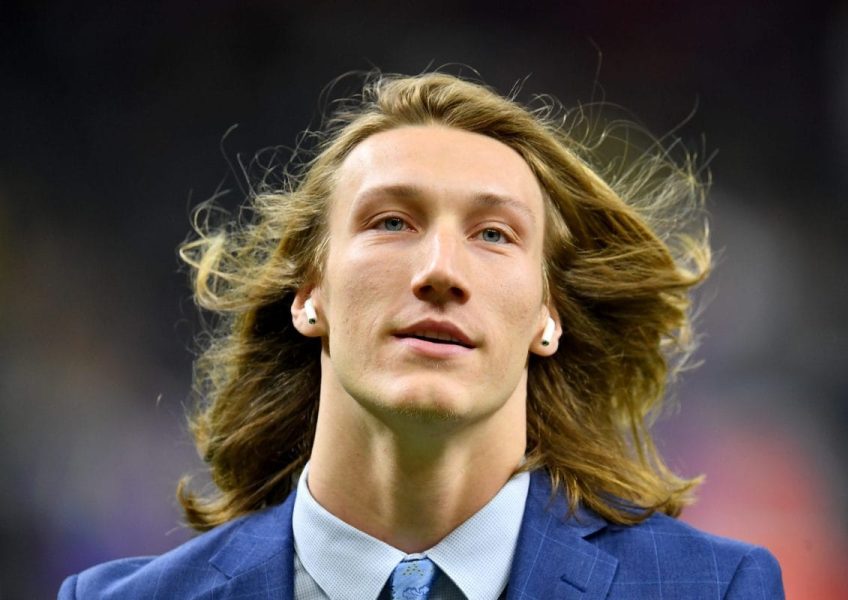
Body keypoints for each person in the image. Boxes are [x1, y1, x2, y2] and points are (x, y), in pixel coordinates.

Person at [59, 72, 784, 599]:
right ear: (309, 294)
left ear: (547, 314)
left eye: (494, 234)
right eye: (391, 223)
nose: (441, 270)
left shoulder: (712, 589)